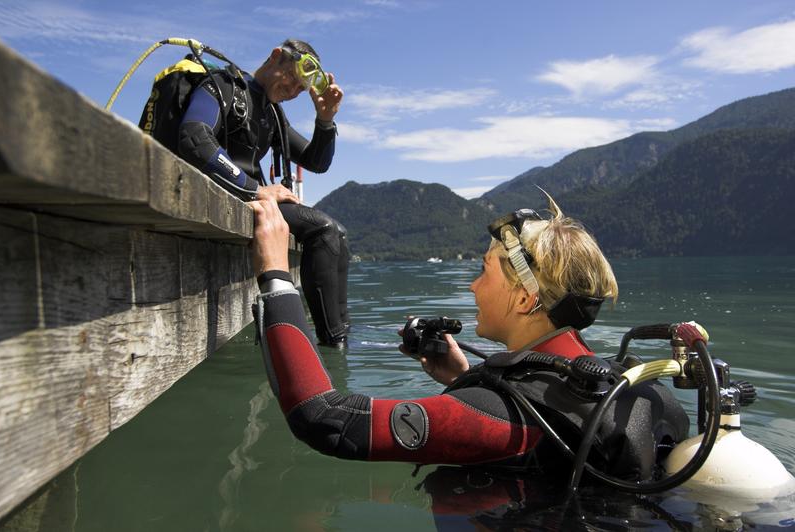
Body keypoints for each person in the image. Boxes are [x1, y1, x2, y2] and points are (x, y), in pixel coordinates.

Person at [249, 194, 690, 480]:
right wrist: (464, 377)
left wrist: (275, 275)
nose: (472, 286)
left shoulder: (506, 415)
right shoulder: (625, 384)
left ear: (524, 299)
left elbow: (323, 418)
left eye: (484, 270)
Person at [177, 38, 349, 346]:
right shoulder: (224, 85)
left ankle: (342, 332)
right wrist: (255, 188)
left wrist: (325, 121)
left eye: (300, 89)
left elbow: (315, 162)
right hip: (228, 194)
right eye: (293, 79)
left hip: (252, 197)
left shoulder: (273, 114)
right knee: (323, 230)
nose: (294, 91)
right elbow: (194, 136)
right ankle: (332, 343)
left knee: (339, 233)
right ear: (276, 57)